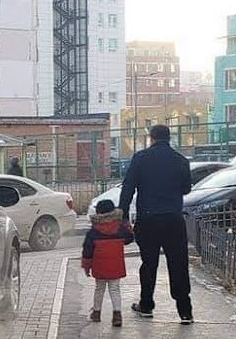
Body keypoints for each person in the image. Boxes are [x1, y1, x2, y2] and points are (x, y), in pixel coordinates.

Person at [118, 124, 194, 324]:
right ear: (169, 139)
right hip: (173, 219)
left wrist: (123, 214)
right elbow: (186, 189)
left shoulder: (141, 158)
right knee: (178, 264)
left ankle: (146, 305)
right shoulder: (181, 160)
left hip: (148, 219)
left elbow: (128, 187)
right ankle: (185, 311)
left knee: (149, 263)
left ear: (151, 138)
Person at [81, 199, 134, 327]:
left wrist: (86, 266)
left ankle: (96, 313)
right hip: (116, 266)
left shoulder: (93, 231)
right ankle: (117, 315)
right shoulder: (120, 228)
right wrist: (127, 225)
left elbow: (87, 250)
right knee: (115, 289)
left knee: (99, 289)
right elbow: (129, 238)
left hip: (99, 266)